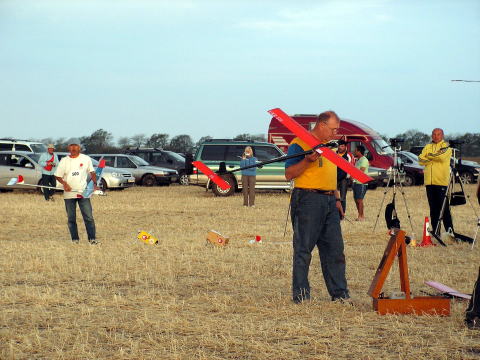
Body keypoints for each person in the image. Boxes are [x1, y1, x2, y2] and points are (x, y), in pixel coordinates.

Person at [285, 110, 349, 304]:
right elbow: (289, 174)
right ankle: (302, 296)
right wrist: (307, 160)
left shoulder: (330, 147)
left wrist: (337, 199)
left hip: (330, 200)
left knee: (335, 250)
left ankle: (340, 295)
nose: (335, 134)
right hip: (308, 199)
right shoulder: (298, 144)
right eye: (333, 129)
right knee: (304, 249)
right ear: (321, 125)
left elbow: (330, 177)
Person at [54, 140, 99, 244]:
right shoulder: (64, 160)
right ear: (68, 148)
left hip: (84, 193)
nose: (73, 148)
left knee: (88, 217)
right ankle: (75, 240)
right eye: (71, 146)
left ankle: (92, 239)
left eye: (75, 146)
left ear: (80, 148)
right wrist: (64, 184)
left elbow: (92, 172)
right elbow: (57, 175)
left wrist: (95, 185)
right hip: (69, 194)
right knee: (71, 219)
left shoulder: (86, 158)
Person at [418, 128, 453, 235]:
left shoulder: (446, 147)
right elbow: (420, 160)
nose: (436, 136)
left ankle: (449, 231)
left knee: (444, 209)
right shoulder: (427, 146)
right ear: (431, 135)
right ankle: (436, 231)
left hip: (441, 182)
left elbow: (441, 158)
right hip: (429, 182)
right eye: (434, 134)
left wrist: (429, 156)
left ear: (442, 135)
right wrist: (432, 157)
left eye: (438, 134)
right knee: (433, 209)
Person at [336, 140, 354, 214]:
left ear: (345, 147)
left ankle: (342, 213)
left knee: (342, 198)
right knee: (334, 197)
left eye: (342, 146)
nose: (340, 147)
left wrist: (351, 178)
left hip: (344, 179)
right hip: (334, 178)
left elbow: (352, 167)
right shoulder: (334, 153)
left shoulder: (349, 156)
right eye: (339, 146)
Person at [352, 145, 369, 221]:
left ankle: (361, 216)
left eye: (355, 150)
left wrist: (353, 175)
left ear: (359, 151)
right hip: (356, 182)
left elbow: (361, 170)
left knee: (359, 200)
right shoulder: (358, 160)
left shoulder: (364, 160)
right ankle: (360, 215)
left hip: (362, 183)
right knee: (356, 200)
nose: (354, 152)